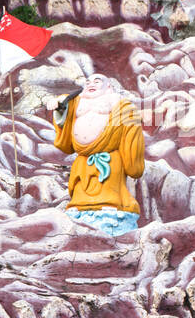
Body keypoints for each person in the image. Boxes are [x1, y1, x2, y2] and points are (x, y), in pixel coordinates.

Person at [50, 74, 145, 234]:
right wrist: (58, 104)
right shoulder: (77, 103)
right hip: (82, 159)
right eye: (88, 82)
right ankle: (80, 209)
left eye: (97, 81)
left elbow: (131, 128)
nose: (91, 84)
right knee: (80, 188)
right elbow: (63, 109)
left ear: (108, 86)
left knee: (109, 186)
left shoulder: (119, 104)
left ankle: (110, 212)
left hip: (109, 157)